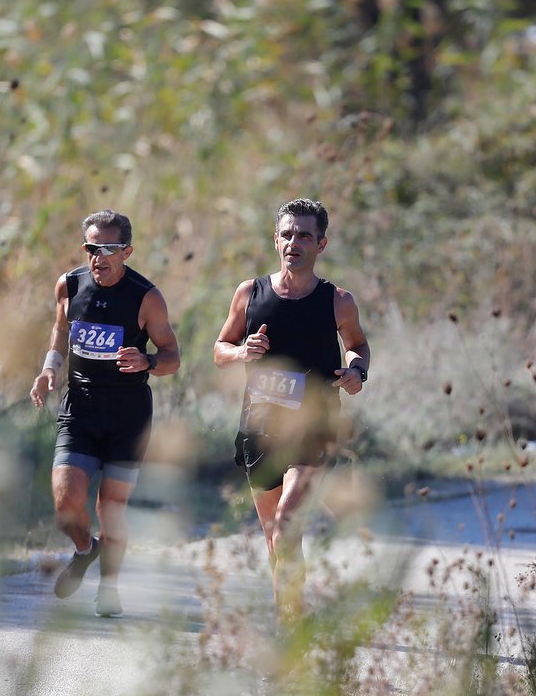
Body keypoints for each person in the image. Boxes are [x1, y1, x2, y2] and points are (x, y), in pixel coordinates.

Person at [213, 198, 370, 624]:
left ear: (321, 244)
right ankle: (288, 610)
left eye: (304, 235)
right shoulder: (249, 293)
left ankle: (291, 622)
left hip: (313, 429)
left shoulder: (337, 301)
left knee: (286, 522)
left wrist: (357, 371)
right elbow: (220, 349)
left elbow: (358, 345)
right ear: (275, 240)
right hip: (258, 428)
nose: (293, 242)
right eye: (287, 234)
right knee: (274, 535)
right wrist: (241, 352)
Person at [30, 210, 180, 618]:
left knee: (110, 509)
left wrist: (148, 361)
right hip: (80, 408)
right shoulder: (69, 284)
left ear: (126, 252)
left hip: (128, 417)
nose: (99, 257)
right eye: (92, 248)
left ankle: (109, 588)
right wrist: (49, 368)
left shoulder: (146, 297)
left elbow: (172, 357)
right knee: (66, 503)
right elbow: (61, 329)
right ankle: (85, 550)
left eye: (109, 249)